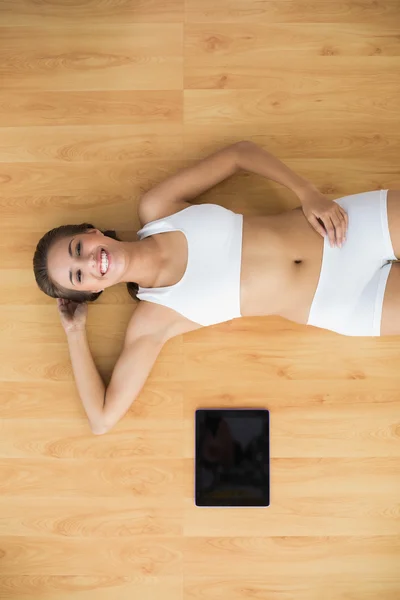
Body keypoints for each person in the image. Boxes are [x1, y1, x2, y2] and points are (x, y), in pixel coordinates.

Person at [33, 140, 400, 435]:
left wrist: (307, 193)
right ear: (90, 292)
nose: (89, 263)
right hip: (344, 302)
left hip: (345, 228)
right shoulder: (154, 319)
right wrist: (74, 330)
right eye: (78, 276)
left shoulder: (159, 209)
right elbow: (101, 419)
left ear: (91, 232)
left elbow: (239, 154)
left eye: (77, 250)